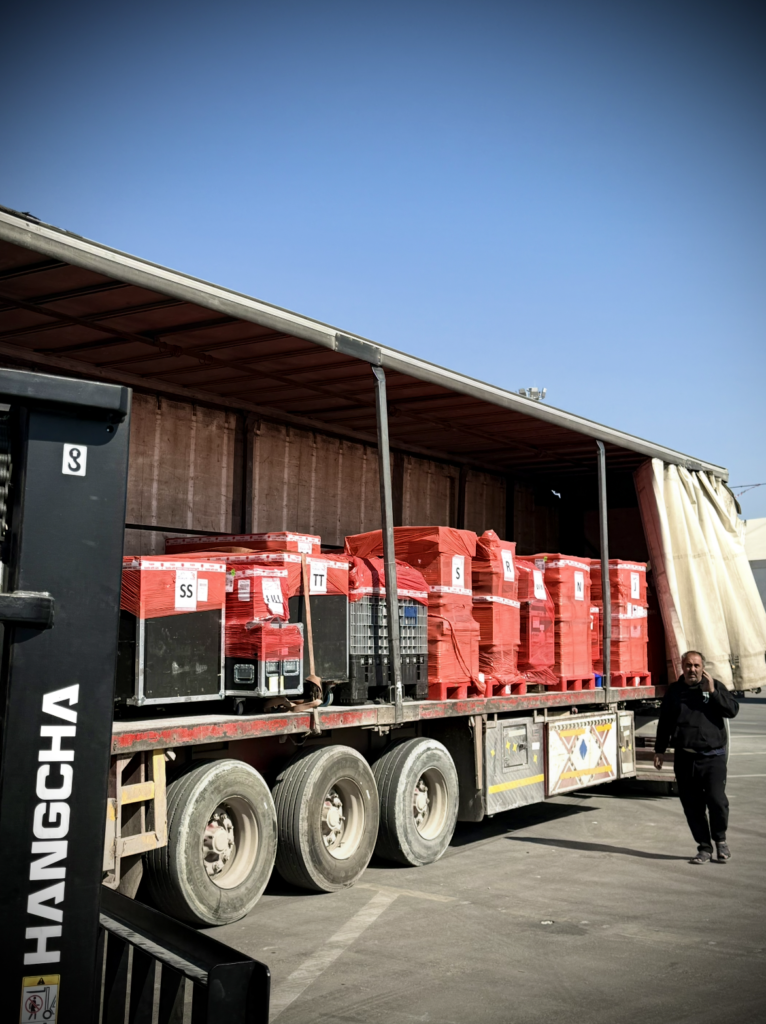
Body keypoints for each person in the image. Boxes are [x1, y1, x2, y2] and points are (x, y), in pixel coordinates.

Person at [654, 650, 739, 864]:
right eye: (688, 665)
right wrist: (659, 750)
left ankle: (720, 841)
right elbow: (665, 722)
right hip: (685, 759)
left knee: (717, 801)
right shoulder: (675, 692)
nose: (692, 669)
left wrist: (713, 693)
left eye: (696, 665)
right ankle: (704, 848)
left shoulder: (714, 686)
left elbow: (732, 710)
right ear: (682, 667)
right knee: (692, 806)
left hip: (713, 757)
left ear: (703, 668)